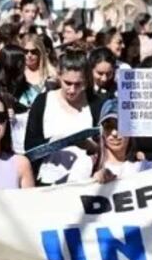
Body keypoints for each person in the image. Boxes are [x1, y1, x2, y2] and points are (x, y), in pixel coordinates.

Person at [24, 49, 97, 185]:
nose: (72, 90)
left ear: (86, 81)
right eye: (67, 83)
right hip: (49, 180)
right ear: (59, 76)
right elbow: (29, 147)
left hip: (87, 181)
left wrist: (91, 146)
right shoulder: (43, 101)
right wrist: (52, 142)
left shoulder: (95, 104)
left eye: (78, 84)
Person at [68, 98, 152, 183]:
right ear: (101, 131)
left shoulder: (145, 168)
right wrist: (92, 182)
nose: (114, 133)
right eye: (108, 127)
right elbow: (69, 195)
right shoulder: (85, 165)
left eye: (120, 126)